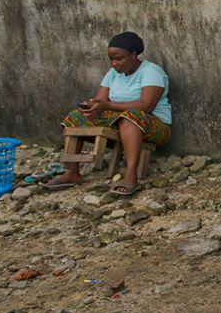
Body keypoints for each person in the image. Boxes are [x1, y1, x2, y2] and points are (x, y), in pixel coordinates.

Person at [44, 31, 172, 196]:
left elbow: (146, 105)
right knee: (75, 117)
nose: (114, 63)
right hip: (119, 122)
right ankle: (72, 172)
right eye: (111, 59)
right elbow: (100, 101)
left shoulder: (151, 71)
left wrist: (107, 105)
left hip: (154, 126)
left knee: (130, 117)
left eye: (119, 59)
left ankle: (131, 177)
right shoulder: (112, 74)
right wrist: (91, 106)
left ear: (133, 55)